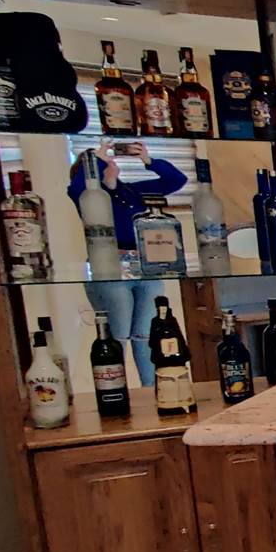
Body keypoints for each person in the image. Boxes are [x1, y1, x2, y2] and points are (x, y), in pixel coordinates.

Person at [67, 142, 186, 385]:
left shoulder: (133, 191)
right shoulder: (89, 197)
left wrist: (148, 160)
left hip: (145, 265)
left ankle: (151, 387)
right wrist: (96, 158)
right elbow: (76, 187)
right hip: (109, 266)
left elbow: (176, 181)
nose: (110, 162)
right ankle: (114, 387)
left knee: (146, 333)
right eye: (103, 162)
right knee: (117, 333)